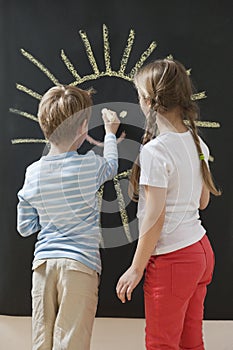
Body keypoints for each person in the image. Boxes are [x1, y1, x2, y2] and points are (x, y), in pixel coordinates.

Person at [116, 59, 221, 350]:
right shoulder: (198, 142)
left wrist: (136, 268)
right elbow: (202, 201)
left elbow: (155, 217)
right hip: (201, 252)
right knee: (191, 342)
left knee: (161, 344)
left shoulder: (155, 151)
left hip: (174, 260)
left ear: (148, 102)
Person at [17, 85, 120, 350]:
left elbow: (25, 227)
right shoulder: (89, 165)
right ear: (83, 128)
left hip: (42, 267)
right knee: (71, 343)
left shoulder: (32, 173)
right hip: (79, 266)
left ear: (44, 125)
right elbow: (111, 166)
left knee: (42, 343)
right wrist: (110, 134)